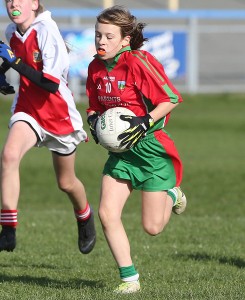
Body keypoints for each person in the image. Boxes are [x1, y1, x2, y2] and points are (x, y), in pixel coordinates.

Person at [86, 5, 187, 294]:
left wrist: (145, 121)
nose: (101, 42)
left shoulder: (138, 61)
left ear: (125, 39)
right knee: (107, 212)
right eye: (98, 36)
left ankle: (172, 192)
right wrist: (93, 121)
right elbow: (94, 105)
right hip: (121, 153)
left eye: (108, 36)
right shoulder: (95, 67)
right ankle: (130, 280)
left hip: (152, 150)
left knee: (153, 228)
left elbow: (171, 98)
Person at [0, 0, 96, 255]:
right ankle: (8, 230)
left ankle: (84, 216)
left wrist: (14, 62)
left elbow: (51, 84)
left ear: (34, 3)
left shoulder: (47, 30)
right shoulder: (11, 32)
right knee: (9, 155)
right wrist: (2, 72)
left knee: (66, 182)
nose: (13, 4)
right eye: (8, 0)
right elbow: (16, 61)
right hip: (28, 109)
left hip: (58, 115)